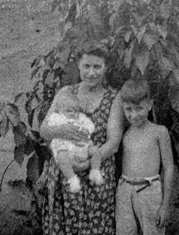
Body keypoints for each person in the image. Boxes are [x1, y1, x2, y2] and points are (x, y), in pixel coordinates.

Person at [39, 40, 124, 235]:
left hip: (97, 175)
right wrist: (63, 132)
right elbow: (44, 129)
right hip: (66, 175)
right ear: (78, 65)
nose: (91, 72)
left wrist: (86, 165)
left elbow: (113, 141)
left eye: (97, 66)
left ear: (106, 67)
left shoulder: (114, 97)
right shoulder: (65, 93)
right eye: (86, 66)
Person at [116, 79, 174, 235]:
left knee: (153, 231)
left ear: (150, 105)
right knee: (124, 231)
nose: (134, 115)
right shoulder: (124, 133)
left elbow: (169, 167)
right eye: (128, 109)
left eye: (139, 108)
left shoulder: (159, 132)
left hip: (149, 189)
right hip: (124, 189)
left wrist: (165, 205)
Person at [47, 94, 104, 193]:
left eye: (76, 110)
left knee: (95, 150)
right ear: (60, 110)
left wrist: (87, 130)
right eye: (69, 110)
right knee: (61, 155)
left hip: (82, 147)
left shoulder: (81, 118)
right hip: (66, 148)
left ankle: (95, 171)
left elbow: (91, 126)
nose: (73, 113)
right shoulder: (57, 118)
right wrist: (62, 129)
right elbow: (49, 127)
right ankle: (72, 179)